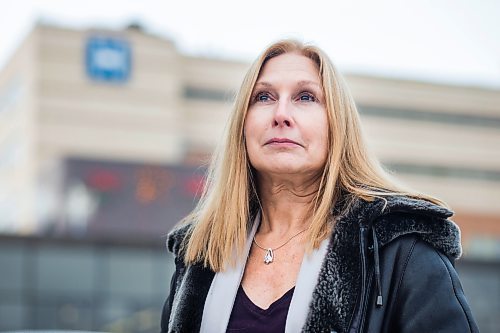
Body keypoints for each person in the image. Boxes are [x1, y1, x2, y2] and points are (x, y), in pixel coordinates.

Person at [160, 40, 479, 333]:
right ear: (242, 125)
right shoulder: (200, 253)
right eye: (264, 97)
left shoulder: (399, 247)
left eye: (305, 97)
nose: (281, 114)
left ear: (337, 125)